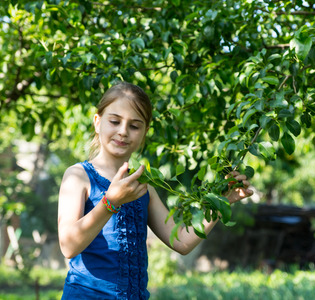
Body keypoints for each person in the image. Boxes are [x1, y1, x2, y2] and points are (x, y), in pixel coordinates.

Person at [57, 81, 253, 299]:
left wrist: (221, 202)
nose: (123, 132)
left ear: (144, 132)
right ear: (97, 122)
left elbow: (181, 240)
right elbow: (68, 246)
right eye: (114, 121)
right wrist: (110, 203)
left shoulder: (143, 184)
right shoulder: (78, 176)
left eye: (134, 126)